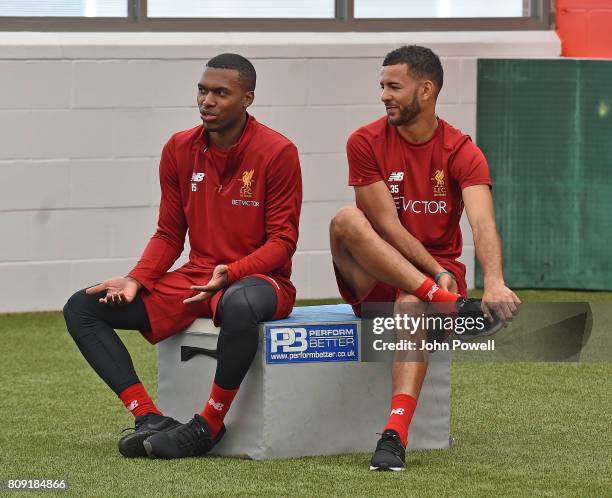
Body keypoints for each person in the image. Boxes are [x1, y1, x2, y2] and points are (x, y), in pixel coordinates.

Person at [63, 53, 302, 459]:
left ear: (247, 98)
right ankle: (149, 417)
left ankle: (208, 425)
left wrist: (234, 273)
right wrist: (136, 279)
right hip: (196, 277)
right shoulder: (178, 148)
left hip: (261, 281)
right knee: (83, 307)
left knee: (240, 303)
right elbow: (170, 233)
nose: (207, 100)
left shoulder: (278, 151)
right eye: (202, 90)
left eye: (220, 93)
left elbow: (283, 241)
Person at [329, 45, 520, 471]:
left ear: (427, 89)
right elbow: (389, 227)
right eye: (381, 86)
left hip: (433, 276)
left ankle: (394, 435)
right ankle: (453, 307)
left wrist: (494, 283)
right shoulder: (363, 141)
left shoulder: (462, 150)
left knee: (412, 304)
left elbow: (482, 222)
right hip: (382, 268)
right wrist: (434, 277)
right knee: (345, 220)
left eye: (394, 86)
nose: (383, 95)